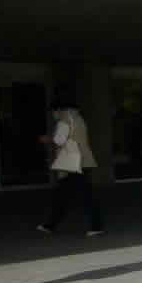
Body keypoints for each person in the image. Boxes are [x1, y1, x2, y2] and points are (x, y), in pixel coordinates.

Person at [37, 101, 105, 237]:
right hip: (82, 161)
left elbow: (59, 140)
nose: (53, 114)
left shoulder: (65, 120)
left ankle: (96, 226)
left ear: (58, 109)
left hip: (72, 163)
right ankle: (50, 225)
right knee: (66, 195)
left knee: (76, 195)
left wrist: (47, 139)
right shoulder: (79, 118)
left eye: (53, 111)